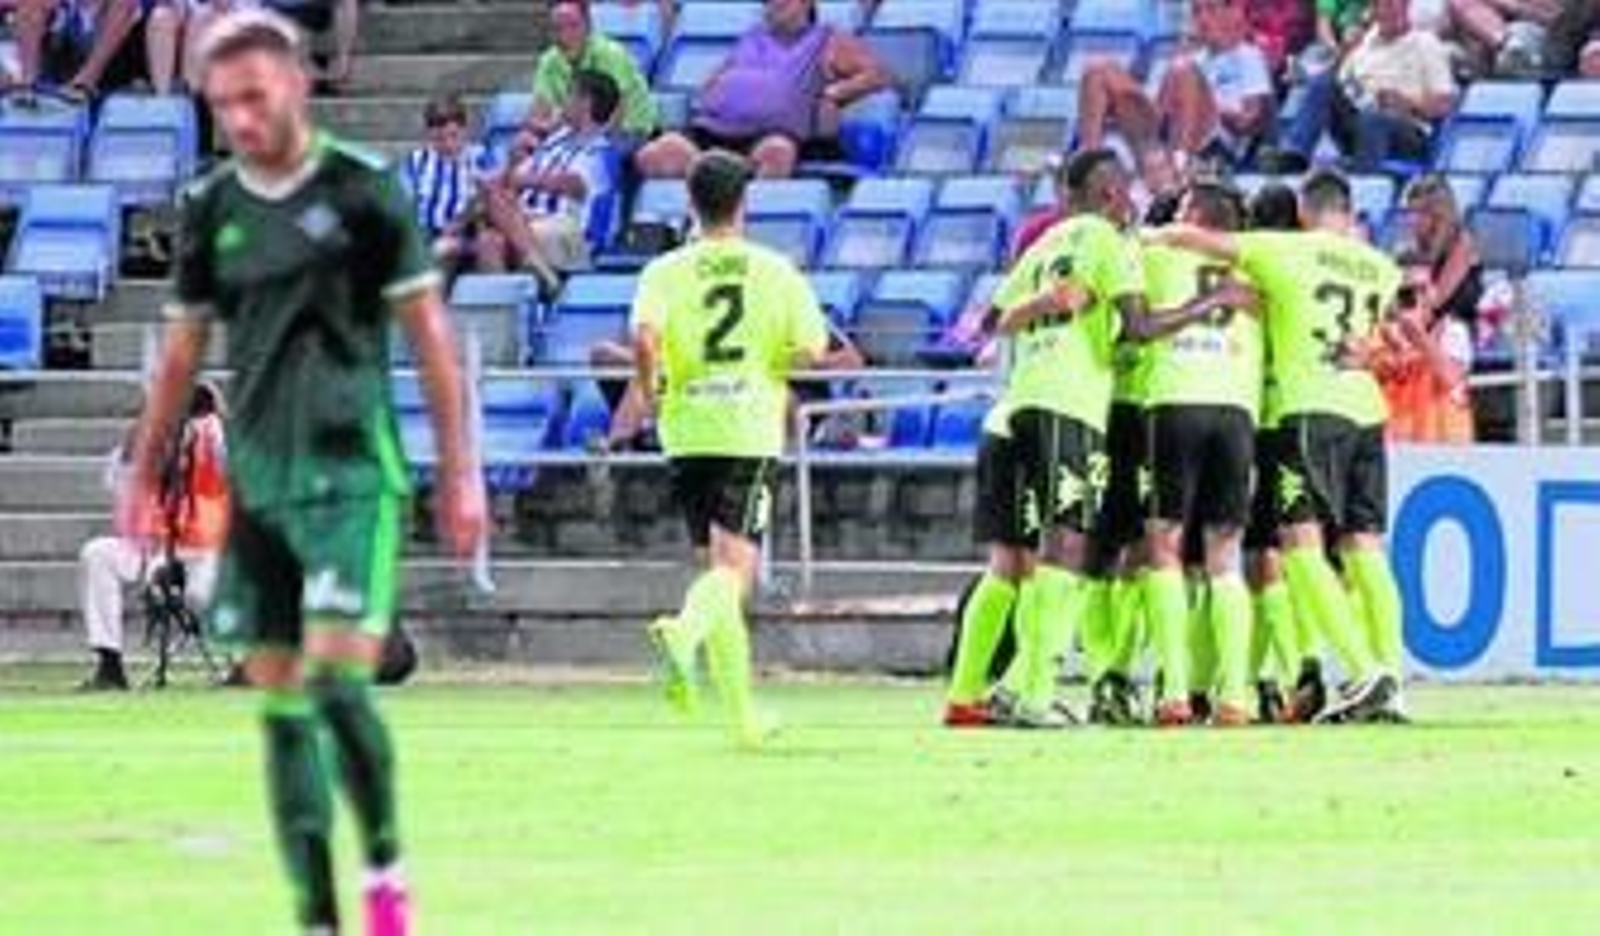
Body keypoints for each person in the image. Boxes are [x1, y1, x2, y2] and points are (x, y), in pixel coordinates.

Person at [119, 10, 485, 932]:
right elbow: (181, 353)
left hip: (354, 474)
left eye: (254, 96)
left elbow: (432, 342)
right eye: (223, 102)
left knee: (334, 682)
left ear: (298, 84)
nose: (240, 117)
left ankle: (385, 867)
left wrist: (462, 472)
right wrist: (144, 463)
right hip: (263, 479)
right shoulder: (213, 207)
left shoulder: (364, 194)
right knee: (280, 703)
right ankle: (318, 911)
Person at [942, 148, 1234, 729]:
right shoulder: (1108, 242)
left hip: (1010, 414)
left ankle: (966, 695)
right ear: (1106, 194)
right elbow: (1139, 326)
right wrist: (1210, 303)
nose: (1130, 202)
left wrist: (1044, 304)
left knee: (1007, 563)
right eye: (1123, 190)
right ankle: (1034, 693)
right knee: (1066, 549)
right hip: (1065, 409)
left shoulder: (1042, 246)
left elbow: (986, 324)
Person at [1152, 169, 1407, 724]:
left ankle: (1362, 672)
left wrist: (1152, 235)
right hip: (1365, 412)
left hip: (1303, 411)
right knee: (1365, 547)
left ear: (1302, 214)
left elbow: (1200, 239)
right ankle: (1391, 677)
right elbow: (1393, 342)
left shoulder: (1285, 252)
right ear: (1349, 211)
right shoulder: (1381, 267)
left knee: (1295, 545)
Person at [634, 150, 843, 745]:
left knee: (718, 566)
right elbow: (812, 349)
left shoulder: (664, 271)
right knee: (735, 571)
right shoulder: (773, 269)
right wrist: (773, 360)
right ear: (743, 204)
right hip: (746, 425)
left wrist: (652, 394)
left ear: (691, 206)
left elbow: (644, 340)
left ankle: (743, 719)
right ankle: (683, 632)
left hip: (686, 426)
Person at [1138, 181, 1264, 727]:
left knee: (1164, 546)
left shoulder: (1160, 254)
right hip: (1236, 410)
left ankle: (1173, 690)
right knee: (1225, 553)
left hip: (1176, 401)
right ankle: (1235, 695)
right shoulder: (1258, 267)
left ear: (1192, 216)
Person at [79, 382, 229, 691]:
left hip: (202, 548)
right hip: (152, 547)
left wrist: (203, 415)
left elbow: (224, 456)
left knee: (201, 595)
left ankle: (246, 665)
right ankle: (110, 664)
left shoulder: (208, 433)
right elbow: (114, 480)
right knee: (97, 553)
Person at [634, 0, 889, 179]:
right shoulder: (752, 36)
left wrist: (837, 93)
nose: (772, 5)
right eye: (767, 1)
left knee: (777, 153)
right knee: (654, 154)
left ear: (806, 3)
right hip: (711, 132)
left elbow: (879, 75)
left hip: (769, 137)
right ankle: (700, 210)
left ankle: (734, 194)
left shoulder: (828, 39)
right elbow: (713, 82)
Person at [1077, 0, 1276, 166]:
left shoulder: (1247, 55)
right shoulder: (1191, 57)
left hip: (1214, 145)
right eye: (1197, 12)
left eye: (1211, 9)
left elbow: (1251, 122)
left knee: (1184, 70)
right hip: (1162, 130)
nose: (1203, 19)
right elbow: (1160, 108)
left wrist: (1214, 107)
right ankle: (1090, 165)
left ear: (1231, 12)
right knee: (1098, 68)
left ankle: (1179, 166)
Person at [470, 69, 621, 284]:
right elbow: (510, 181)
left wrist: (519, 185)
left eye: (569, 93)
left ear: (585, 103)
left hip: (572, 234)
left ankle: (546, 277)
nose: (562, 101)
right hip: (527, 224)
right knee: (488, 241)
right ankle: (513, 308)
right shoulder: (556, 140)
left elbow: (569, 183)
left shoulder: (602, 152)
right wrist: (513, 158)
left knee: (497, 203)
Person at [1278, 0, 1458, 171]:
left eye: (1395, 5)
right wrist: (1345, 52)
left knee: (1374, 118)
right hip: (1361, 114)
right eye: (1383, 5)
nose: (1390, 11)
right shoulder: (1365, 42)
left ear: (1406, 7)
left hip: (1408, 129)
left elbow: (1444, 104)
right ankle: (1294, 156)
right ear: (1374, 11)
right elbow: (1340, 82)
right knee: (1323, 83)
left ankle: (1364, 183)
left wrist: (1407, 102)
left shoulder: (1425, 42)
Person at [531, 0, 659, 145]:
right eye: (557, 28)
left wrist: (583, 140)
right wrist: (547, 128)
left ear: (588, 26)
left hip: (630, 132)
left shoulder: (611, 54)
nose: (564, 36)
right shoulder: (548, 61)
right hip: (576, 134)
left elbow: (618, 113)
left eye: (573, 26)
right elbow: (538, 115)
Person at [400, 93, 495, 256]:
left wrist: (461, 223)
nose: (448, 145)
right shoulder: (416, 161)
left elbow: (491, 198)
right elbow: (403, 204)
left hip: (468, 233)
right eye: (439, 139)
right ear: (428, 134)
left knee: (491, 242)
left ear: (465, 130)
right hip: (428, 234)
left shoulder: (480, 157)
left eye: (454, 135)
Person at [6, 0, 160, 99]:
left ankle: (85, 83)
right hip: (65, 51)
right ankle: (27, 86)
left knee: (124, 4)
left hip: (120, 59)